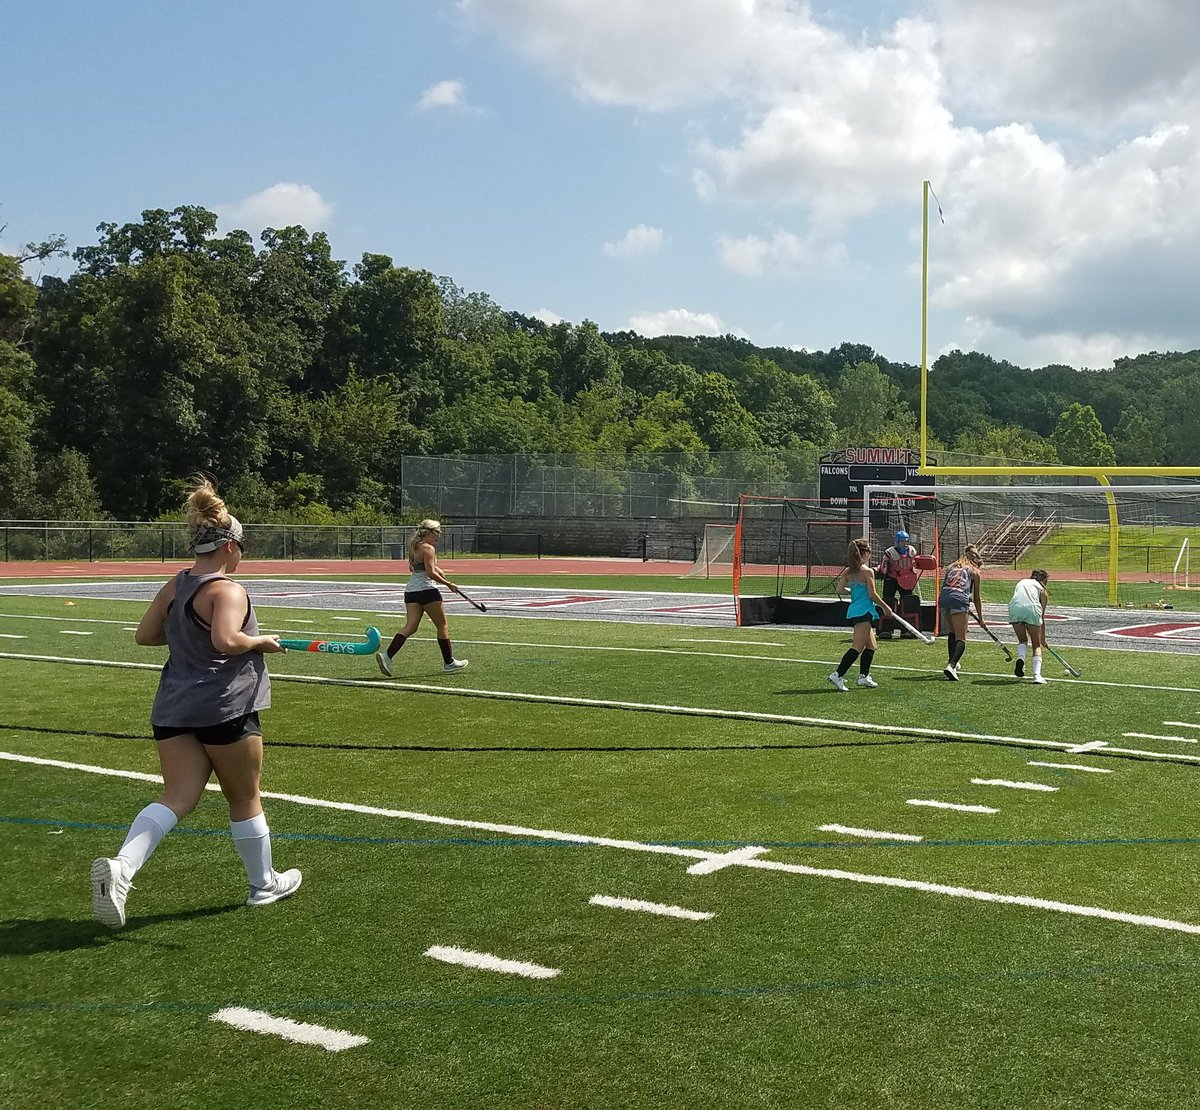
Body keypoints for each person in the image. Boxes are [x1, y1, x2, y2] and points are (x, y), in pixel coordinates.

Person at [90, 477, 300, 930]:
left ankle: (123, 869)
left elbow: (145, 635)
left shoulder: (177, 584)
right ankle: (263, 884)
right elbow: (227, 640)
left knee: (176, 797)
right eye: (242, 548)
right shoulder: (226, 590)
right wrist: (259, 640)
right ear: (229, 547)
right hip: (224, 707)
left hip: (174, 707)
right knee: (244, 797)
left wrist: (188, 633)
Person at [376, 519, 469, 677]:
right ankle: (449, 662)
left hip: (411, 591)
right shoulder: (429, 548)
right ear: (429, 532)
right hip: (427, 591)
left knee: (410, 626)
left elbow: (414, 568)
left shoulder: (414, 547)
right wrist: (449, 584)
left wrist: (437, 569)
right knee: (442, 626)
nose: (438, 535)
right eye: (437, 532)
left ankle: (387, 656)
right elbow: (430, 573)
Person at [828, 538, 895, 692]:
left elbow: (839, 589)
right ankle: (837, 675)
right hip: (863, 612)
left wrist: (853, 591)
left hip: (855, 610)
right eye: (869, 552)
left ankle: (864, 676)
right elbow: (872, 594)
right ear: (864, 553)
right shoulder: (867, 571)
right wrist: (886, 608)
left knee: (871, 646)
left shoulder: (848, 571)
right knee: (857, 647)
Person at [938, 543, 985, 681]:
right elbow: (977, 598)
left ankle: (952, 660)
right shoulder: (975, 572)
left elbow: (947, 586)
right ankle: (951, 666)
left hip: (944, 599)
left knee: (953, 632)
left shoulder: (951, 566)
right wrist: (981, 618)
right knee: (961, 637)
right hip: (959, 600)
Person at [876, 530, 921, 638]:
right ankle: (886, 629)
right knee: (888, 603)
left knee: (908, 604)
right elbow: (884, 566)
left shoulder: (912, 551)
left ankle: (907, 630)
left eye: (906, 541)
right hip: (891, 580)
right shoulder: (890, 552)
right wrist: (882, 571)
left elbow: (916, 563)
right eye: (902, 542)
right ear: (897, 542)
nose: (904, 544)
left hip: (906, 580)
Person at [1009, 569, 1050, 684]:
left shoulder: (1022, 581)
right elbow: (1041, 617)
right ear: (1044, 580)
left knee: (1022, 640)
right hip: (1032, 609)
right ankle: (1037, 675)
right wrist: (1043, 639)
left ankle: (1021, 658)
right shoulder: (1042, 590)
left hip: (1014, 608)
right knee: (1036, 645)